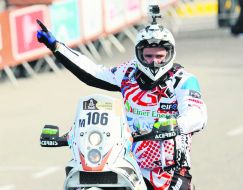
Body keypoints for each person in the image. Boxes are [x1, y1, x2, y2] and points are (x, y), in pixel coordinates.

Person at [36, 7, 207, 190]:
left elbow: (198, 114)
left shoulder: (183, 80)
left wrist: (177, 124)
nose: (154, 61)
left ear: (170, 54)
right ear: (139, 54)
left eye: (159, 55)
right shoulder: (128, 73)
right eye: (148, 56)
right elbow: (94, 73)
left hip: (168, 171)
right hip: (127, 164)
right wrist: (57, 47)